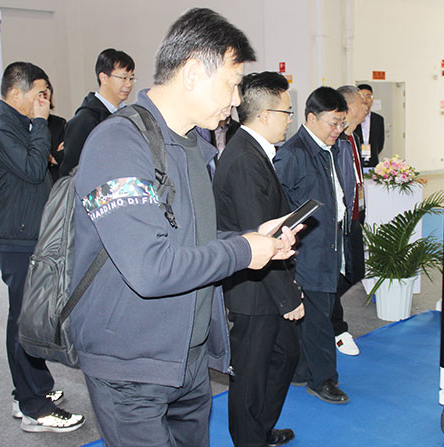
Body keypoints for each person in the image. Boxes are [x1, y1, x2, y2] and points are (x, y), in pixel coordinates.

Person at [69, 9, 300, 447]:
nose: (237, 100)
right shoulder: (118, 144)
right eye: (232, 84)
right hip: (131, 366)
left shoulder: (192, 146)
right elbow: (150, 268)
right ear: (193, 73)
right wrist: (243, 251)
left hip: (187, 360)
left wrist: (254, 242)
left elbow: (193, 243)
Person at [0, 62, 85, 433]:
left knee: (32, 314)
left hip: (26, 234)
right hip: (16, 239)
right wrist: (39, 126)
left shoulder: (13, 125)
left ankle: (34, 388)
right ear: (15, 92)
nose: (46, 103)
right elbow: (33, 169)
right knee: (24, 319)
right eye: (40, 95)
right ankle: (33, 407)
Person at [214, 71, 304, 447]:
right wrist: (289, 298)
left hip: (264, 283)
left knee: (284, 354)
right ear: (266, 114)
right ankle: (250, 438)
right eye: (287, 112)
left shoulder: (253, 152)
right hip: (253, 287)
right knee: (250, 375)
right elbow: (257, 241)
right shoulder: (245, 160)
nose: (290, 120)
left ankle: (260, 430)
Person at [274, 86, 354, 405]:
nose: (338, 130)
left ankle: (302, 371)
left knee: (312, 314)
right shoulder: (293, 153)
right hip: (307, 251)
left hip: (327, 245)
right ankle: (324, 380)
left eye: (342, 123)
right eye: (333, 123)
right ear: (311, 118)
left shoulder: (326, 148)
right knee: (320, 318)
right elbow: (277, 204)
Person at [331, 85, 369, 356]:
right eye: (361, 102)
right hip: (340, 220)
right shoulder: (336, 140)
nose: (366, 106)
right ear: (348, 106)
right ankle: (336, 327)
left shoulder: (353, 137)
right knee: (336, 275)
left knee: (356, 272)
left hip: (356, 215)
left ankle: (323, 306)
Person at [59, 48, 135, 176]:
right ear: (103, 78)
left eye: (131, 78)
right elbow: (71, 171)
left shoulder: (130, 115)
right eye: (123, 78)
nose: (128, 84)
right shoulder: (85, 120)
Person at [353, 83, 385, 167]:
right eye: (362, 96)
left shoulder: (378, 119)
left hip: (373, 160)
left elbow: (380, 143)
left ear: (372, 99)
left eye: (368, 96)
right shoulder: (353, 118)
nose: (365, 99)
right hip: (355, 160)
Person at [45, 81, 66, 182]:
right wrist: (50, 157)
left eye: (47, 88)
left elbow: (66, 156)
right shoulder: (22, 125)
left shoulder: (59, 123)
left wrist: (51, 157)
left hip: (57, 182)